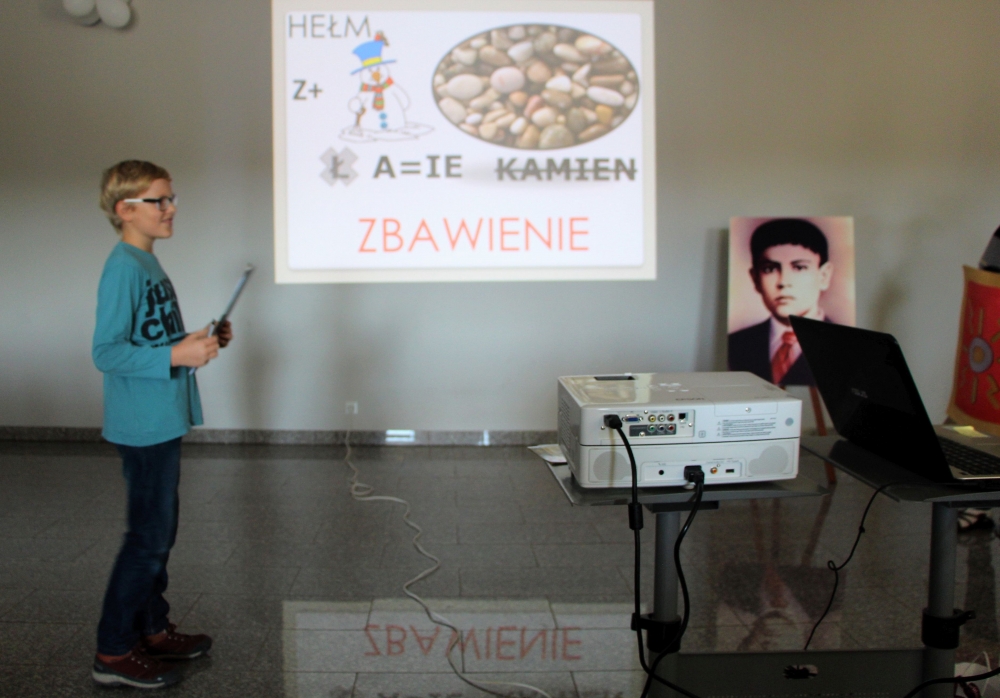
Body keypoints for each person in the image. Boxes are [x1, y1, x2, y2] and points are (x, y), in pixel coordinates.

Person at [91, 160, 232, 688]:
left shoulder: (146, 263)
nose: (171, 208)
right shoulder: (124, 267)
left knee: (158, 533)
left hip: (160, 417)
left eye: (172, 199)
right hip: (142, 422)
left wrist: (195, 341)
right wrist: (177, 354)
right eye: (160, 200)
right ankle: (113, 652)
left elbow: (150, 339)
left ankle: (151, 629)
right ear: (126, 209)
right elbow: (106, 352)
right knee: (148, 538)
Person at [728, 219, 833, 386]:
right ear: (755, 279)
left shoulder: (848, 347)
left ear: (824, 276)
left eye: (799, 267)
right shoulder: (735, 345)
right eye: (769, 269)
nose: (783, 281)